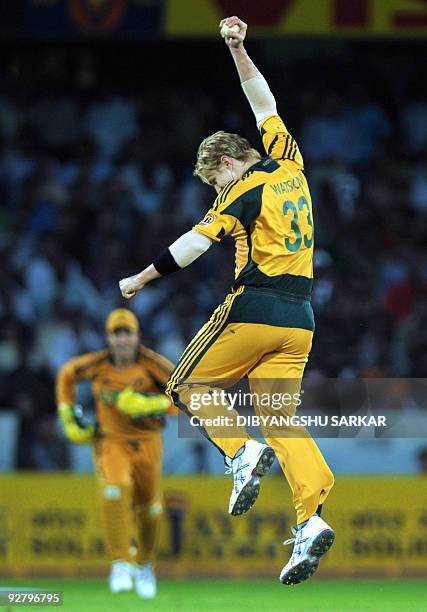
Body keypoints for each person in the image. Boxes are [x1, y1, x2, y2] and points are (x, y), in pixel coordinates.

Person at [119, 16, 335, 585]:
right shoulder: (290, 164)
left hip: (255, 307)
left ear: (227, 162)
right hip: (302, 319)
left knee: (184, 385)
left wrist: (142, 278)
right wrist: (239, 48)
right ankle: (311, 519)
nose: (214, 188)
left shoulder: (242, 188)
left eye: (212, 179)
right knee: (281, 419)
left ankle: (239, 453)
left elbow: (193, 245)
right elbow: (262, 100)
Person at [56, 308, 175, 598]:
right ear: (108, 337)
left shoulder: (152, 365)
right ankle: (121, 562)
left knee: (150, 509)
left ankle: (144, 564)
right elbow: (67, 374)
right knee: (115, 490)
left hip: (147, 442)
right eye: (116, 334)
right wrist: (67, 411)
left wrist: (152, 404)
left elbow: (186, 393)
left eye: (127, 334)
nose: (122, 340)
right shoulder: (98, 364)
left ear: (137, 336)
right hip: (111, 442)